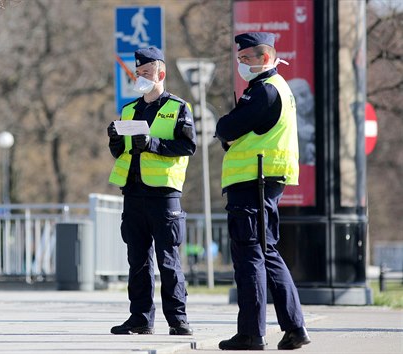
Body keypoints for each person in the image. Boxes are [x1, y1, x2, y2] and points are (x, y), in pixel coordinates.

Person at [214, 32, 311, 350]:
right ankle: (294, 327)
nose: (241, 64)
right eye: (239, 59)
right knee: (266, 253)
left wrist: (225, 128)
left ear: (266, 57)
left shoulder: (264, 91)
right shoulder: (276, 88)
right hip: (263, 179)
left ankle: (251, 333)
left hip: (253, 181)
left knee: (249, 258)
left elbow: (227, 127)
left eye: (247, 58)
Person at [107, 46, 196, 336]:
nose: (141, 77)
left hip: (164, 194)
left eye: (147, 72)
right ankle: (140, 319)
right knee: (138, 260)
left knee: (168, 260)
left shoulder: (178, 108)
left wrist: (153, 143)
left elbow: (187, 146)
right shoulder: (130, 109)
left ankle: (178, 319)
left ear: (161, 73)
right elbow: (121, 153)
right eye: (138, 72)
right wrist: (114, 139)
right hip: (133, 193)